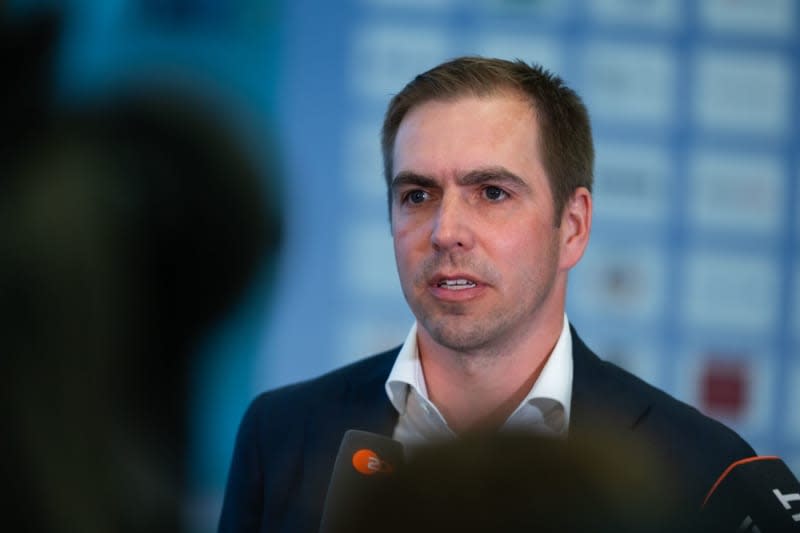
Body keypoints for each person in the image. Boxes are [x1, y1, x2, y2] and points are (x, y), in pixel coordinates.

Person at [219, 57, 756, 532]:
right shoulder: (282, 434)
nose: (445, 230)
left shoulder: (702, 470)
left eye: (492, 193)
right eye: (417, 194)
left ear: (572, 227)